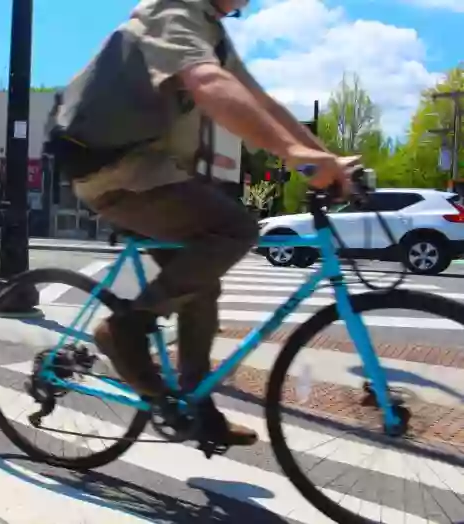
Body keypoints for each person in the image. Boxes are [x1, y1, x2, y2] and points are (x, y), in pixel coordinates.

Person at [43, 0, 360, 448]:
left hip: (149, 172)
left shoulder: (210, 31)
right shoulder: (172, 12)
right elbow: (207, 82)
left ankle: (194, 402)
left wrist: (324, 156)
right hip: (113, 174)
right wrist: (295, 155)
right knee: (234, 230)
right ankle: (126, 329)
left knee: (201, 277)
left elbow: (261, 102)